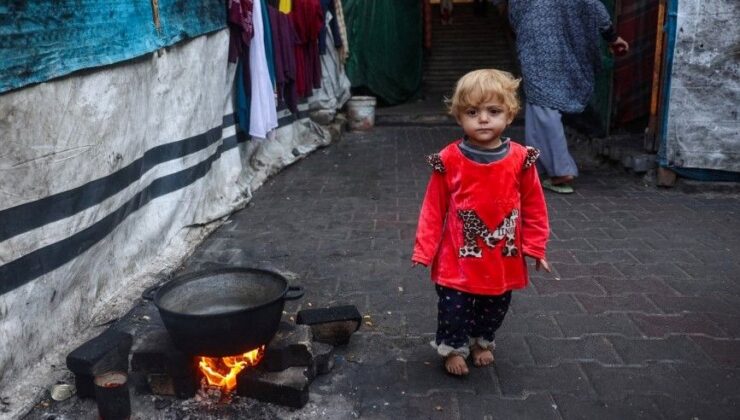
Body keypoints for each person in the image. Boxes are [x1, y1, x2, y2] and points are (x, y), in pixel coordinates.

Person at [412, 69, 551, 376]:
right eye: (473, 112)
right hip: (457, 258)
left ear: (510, 115)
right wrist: (424, 250)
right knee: (453, 307)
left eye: (493, 111)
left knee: (495, 305)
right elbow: (433, 208)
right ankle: (453, 346)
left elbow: (534, 207)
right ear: (459, 117)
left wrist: (536, 246)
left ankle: (481, 341)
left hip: (502, 256)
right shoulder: (449, 159)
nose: (483, 119)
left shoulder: (521, 159)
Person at [507, 0, 629, 193]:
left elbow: (514, 14)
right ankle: (540, 167)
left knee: (543, 106)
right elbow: (594, 6)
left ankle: (559, 169)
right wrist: (612, 37)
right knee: (540, 105)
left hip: (535, 43)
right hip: (566, 45)